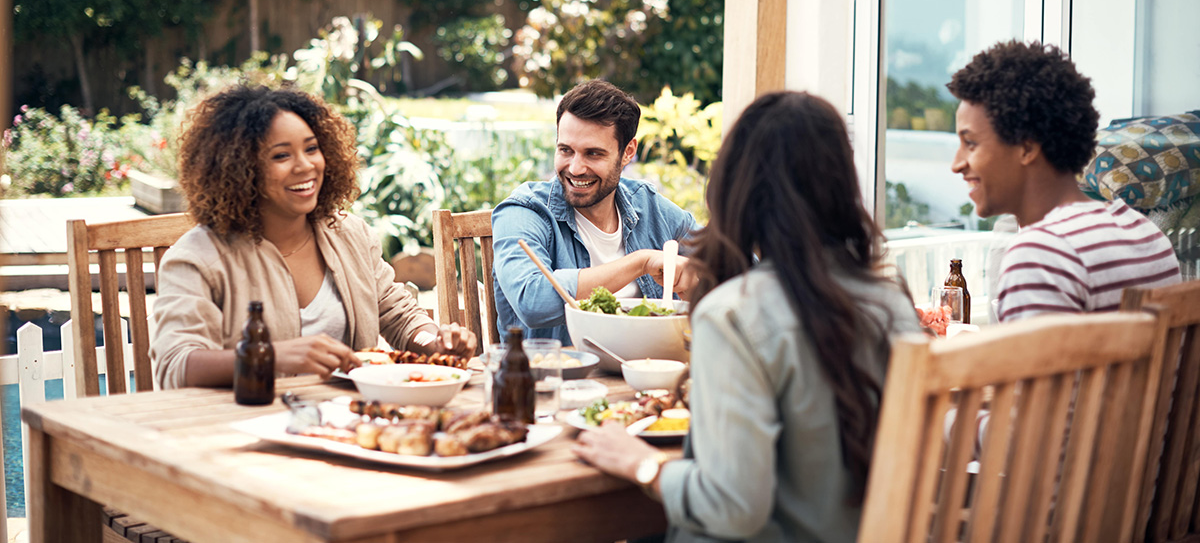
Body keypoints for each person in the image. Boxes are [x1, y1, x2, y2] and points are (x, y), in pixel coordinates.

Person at [572, 92, 922, 542]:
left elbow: (732, 507)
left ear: (737, 185)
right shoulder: (889, 301)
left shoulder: (734, 315)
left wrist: (640, 462)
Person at [152, 85, 476, 390]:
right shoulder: (198, 258)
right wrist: (273, 355)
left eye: (312, 149)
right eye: (281, 156)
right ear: (239, 168)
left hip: (347, 420)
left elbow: (399, 315)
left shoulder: (349, 234)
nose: (305, 166)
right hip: (244, 426)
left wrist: (434, 342)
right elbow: (175, 365)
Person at [948, 40, 1180, 323]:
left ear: (1027, 148)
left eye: (970, 143)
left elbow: (1031, 369)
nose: (956, 164)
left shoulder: (1040, 256)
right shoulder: (1146, 235)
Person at [491, 79, 698, 344]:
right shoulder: (524, 211)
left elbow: (741, 265)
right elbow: (533, 301)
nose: (576, 168)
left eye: (593, 154)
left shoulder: (648, 205)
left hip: (649, 373)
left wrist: (698, 281)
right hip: (559, 378)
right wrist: (641, 262)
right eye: (565, 150)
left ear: (628, 153)